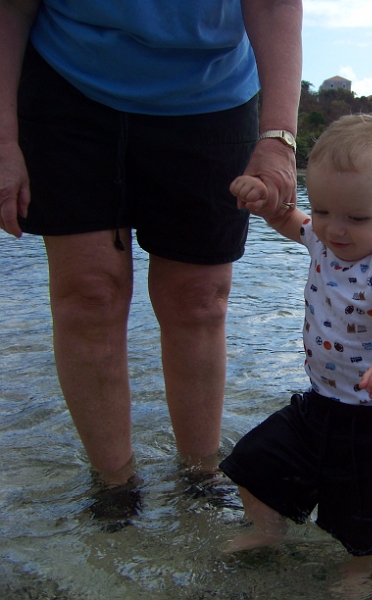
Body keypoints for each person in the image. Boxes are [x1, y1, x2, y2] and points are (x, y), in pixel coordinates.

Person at [0, 0, 303, 488]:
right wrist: (2, 141)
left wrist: (279, 137)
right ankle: (114, 488)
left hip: (211, 93)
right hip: (67, 82)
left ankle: (199, 480)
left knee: (199, 301)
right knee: (88, 295)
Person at [220, 114, 372, 559]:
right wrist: (263, 199)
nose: (334, 229)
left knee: (358, 526)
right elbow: (285, 217)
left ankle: (359, 579)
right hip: (320, 405)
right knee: (253, 463)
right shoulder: (325, 239)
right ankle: (268, 531)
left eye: (356, 217)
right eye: (323, 210)